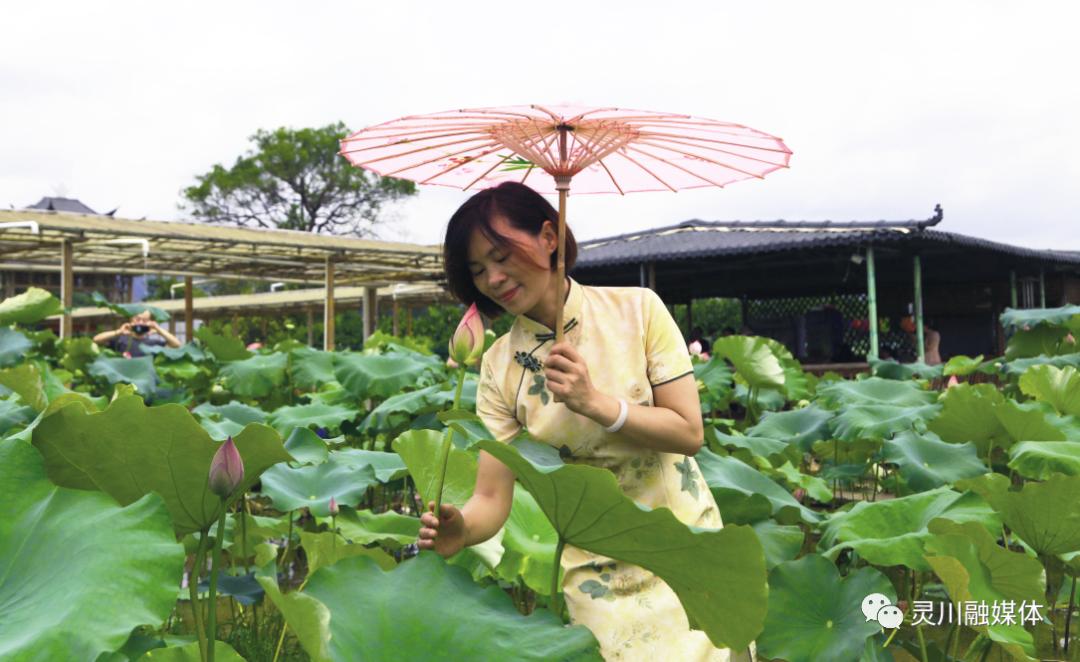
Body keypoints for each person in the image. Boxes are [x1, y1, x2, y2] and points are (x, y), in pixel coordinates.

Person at [419, 182, 752, 661]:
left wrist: (596, 403)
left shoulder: (639, 310)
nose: (493, 278)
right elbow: (491, 496)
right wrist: (463, 529)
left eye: (501, 255)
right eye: (478, 270)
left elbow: (688, 433)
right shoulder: (497, 367)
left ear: (549, 236)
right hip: (596, 579)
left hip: (686, 551)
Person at [92, 310, 181, 356]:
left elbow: (176, 344)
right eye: (138, 319)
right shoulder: (120, 340)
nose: (141, 323)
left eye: (145, 320)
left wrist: (158, 329)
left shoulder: (154, 344)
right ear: (131, 321)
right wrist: (118, 332)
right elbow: (96, 340)